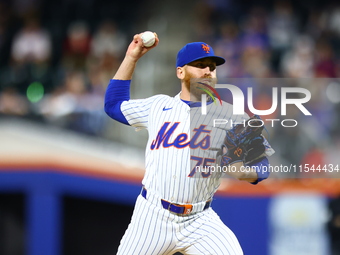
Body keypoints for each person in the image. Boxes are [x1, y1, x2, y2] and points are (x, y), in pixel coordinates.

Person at [104, 32, 273, 255]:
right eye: (200, 65)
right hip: (153, 214)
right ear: (180, 71)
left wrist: (244, 171)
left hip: (199, 219)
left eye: (212, 67)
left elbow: (263, 166)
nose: (207, 71)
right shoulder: (158, 106)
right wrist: (131, 58)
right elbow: (114, 105)